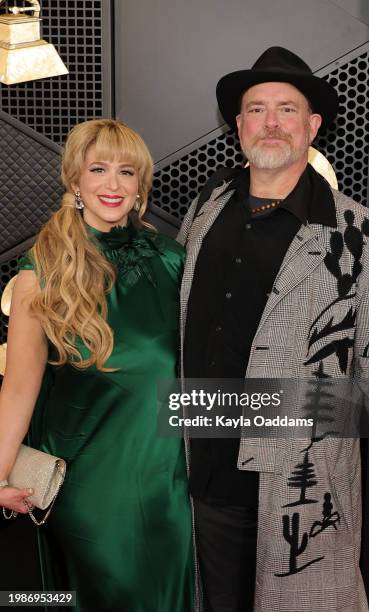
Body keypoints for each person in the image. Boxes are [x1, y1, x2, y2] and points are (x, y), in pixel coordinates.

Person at [177, 47, 369, 611]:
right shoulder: (206, 206)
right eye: (256, 109)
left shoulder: (362, 235)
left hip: (302, 480)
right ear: (238, 126)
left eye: (286, 108)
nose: (271, 122)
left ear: (313, 126)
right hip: (199, 468)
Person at [0, 119, 195, 612]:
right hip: (89, 493)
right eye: (99, 169)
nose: (113, 184)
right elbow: (19, 389)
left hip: (171, 490)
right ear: (76, 182)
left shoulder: (173, 261)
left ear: (140, 185)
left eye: (127, 172)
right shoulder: (42, 272)